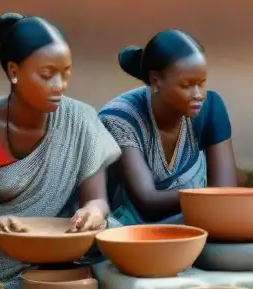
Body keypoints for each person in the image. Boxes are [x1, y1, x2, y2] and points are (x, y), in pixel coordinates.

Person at [0, 13, 121, 289]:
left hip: (62, 240)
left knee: (116, 239)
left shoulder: (81, 119)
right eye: (47, 74)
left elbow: (97, 199)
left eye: (66, 73)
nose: (60, 86)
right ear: (14, 71)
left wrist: (92, 212)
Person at [99, 30, 237, 225]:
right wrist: (210, 201)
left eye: (202, 83)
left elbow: (227, 193)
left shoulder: (210, 108)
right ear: (156, 80)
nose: (198, 94)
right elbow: (147, 199)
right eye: (187, 85)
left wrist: (215, 202)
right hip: (130, 230)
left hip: (200, 220)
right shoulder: (120, 119)